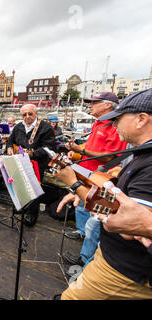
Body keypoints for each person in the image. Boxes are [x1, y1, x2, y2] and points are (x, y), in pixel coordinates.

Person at [55, 88, 152, 300]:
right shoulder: (141, 154)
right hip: (115, 257)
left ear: (141, 119)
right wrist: (86, 191)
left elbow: (123, 219)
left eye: (118, 119)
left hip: (126, 271)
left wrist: (74, 185)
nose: (115, 124)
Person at [62, 92, 128, 269]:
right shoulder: (98, 123)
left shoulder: (114, 127)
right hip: (88, 173)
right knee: (83, 207)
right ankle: (81, 233)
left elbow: (111, 157)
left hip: (102, 179)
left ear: (108, 105)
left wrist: (81, 152)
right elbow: (92, 147)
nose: (89, 105)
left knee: (94, 221)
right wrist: (76, 151)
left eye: (94, 102)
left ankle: (85, 258)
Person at [6, 104, 56, 226]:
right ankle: (22, 208)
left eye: (30, 114)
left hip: (36, 163)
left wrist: (33, 153)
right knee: (20, 186)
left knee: (33, 189)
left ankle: (32, 215)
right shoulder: (18, 127)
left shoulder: (45, 127)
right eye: (24, 114)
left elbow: (49, 148)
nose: (27, 117)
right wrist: (9, 148)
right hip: (20, 161)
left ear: (36, 113)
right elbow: (10, 141)